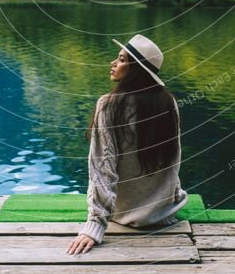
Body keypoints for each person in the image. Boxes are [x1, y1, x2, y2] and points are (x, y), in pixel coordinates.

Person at [67, 33, 188, 254]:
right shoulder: (168, 102)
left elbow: (103, 168)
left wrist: (95, 224)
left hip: (122, 215)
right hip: (163, 213)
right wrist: (170, 197)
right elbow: (174, 159)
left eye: (122, 59)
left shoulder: (108, 105)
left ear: (136, 70)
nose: (113, 63)